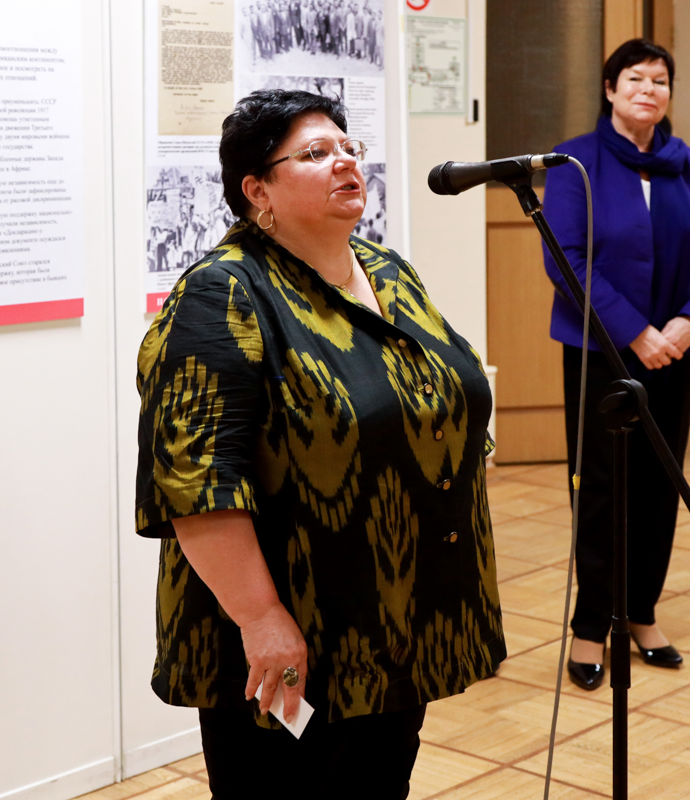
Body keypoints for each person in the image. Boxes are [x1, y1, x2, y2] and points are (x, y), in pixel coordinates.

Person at [134, 89, 505, 798]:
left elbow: (439, 390)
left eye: (347, 148)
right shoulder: (223, 296)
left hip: (396, 618)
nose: (345, 163)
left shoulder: (386, 271)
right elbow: (195, 485)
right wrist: (262, 620)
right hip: (295, 632)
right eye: (314, 154)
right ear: (257, 190)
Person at [542, 39, 690, 691]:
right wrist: (635, 332)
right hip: (602, 353)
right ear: (610, 89)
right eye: (635, 78)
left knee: (659, 485)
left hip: (674, 353)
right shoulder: (575, 162)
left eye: (660, 80)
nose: (649, 90)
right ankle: (592, 625)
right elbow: (567, 260)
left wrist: (688, 323)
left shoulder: (689, 165)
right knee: (602, 490)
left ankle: (642, 613)